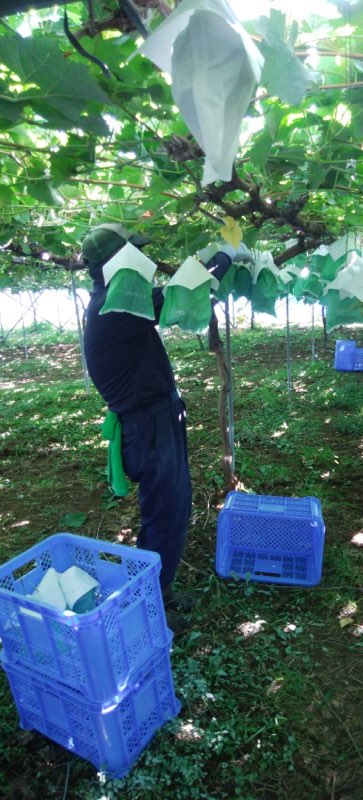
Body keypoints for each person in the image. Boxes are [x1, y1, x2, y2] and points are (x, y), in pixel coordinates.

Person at [81, 223, 253, 630]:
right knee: (164, 512)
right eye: (132, 253)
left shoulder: (117, 300)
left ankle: (161, 589)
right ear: (114, 262)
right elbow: (182, 294)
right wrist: (225, 254)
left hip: (155, 420)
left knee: (171, 508)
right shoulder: (114, 305)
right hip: (149, 426)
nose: (142, 260)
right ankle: (152, 603)